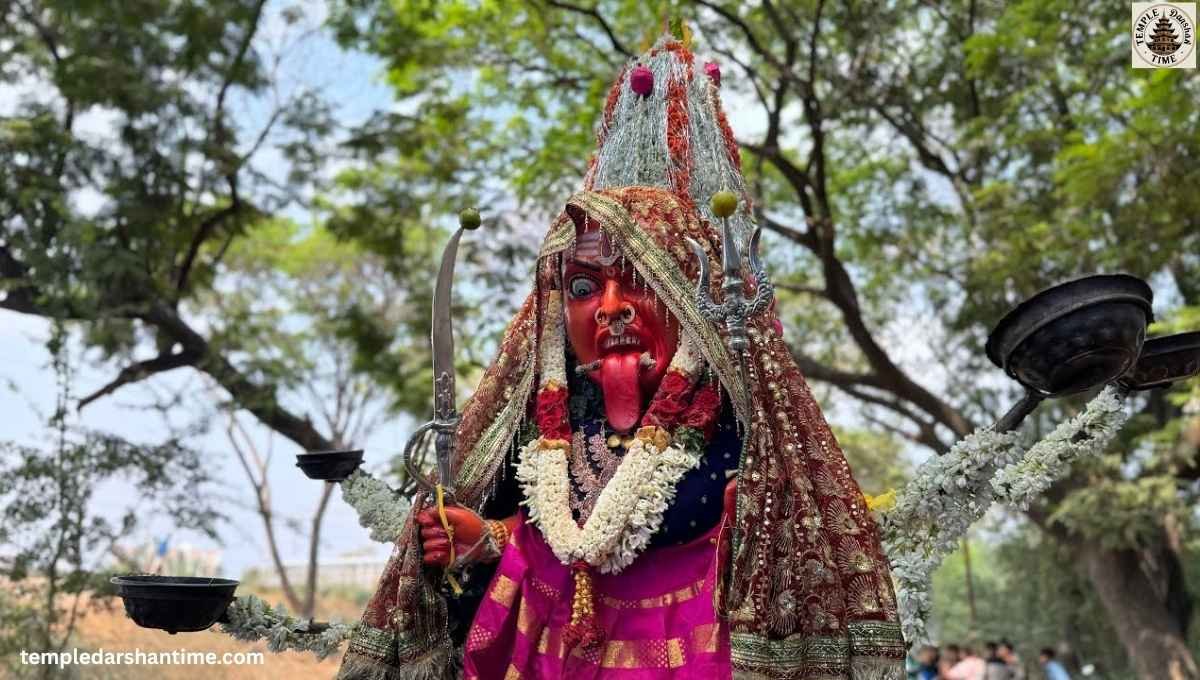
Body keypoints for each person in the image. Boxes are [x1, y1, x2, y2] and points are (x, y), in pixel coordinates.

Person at [335, 33, 905, 680]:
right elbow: (537, 552)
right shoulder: (539, 432)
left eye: (640, 277)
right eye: (582, 287)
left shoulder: (752, 441)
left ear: (693, 301)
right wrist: (479, 543)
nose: (609, 307)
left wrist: (757, 532)